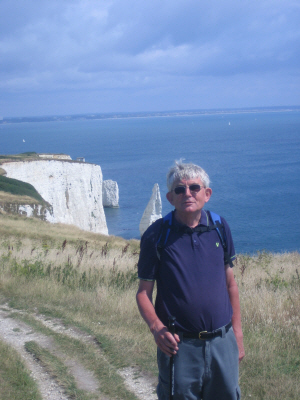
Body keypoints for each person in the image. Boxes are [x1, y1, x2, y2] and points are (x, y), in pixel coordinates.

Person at [136, 160, 245, 400]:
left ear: (207, 194)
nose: (187, 193)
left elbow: (231, 285)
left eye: (194, 188)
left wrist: (237, 334)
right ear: (169, 197)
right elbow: (143, 293)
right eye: (179, 189)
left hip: (222, 342)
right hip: (179, 347)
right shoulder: (156, 234)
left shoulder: (219, 226)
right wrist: (156, 328)